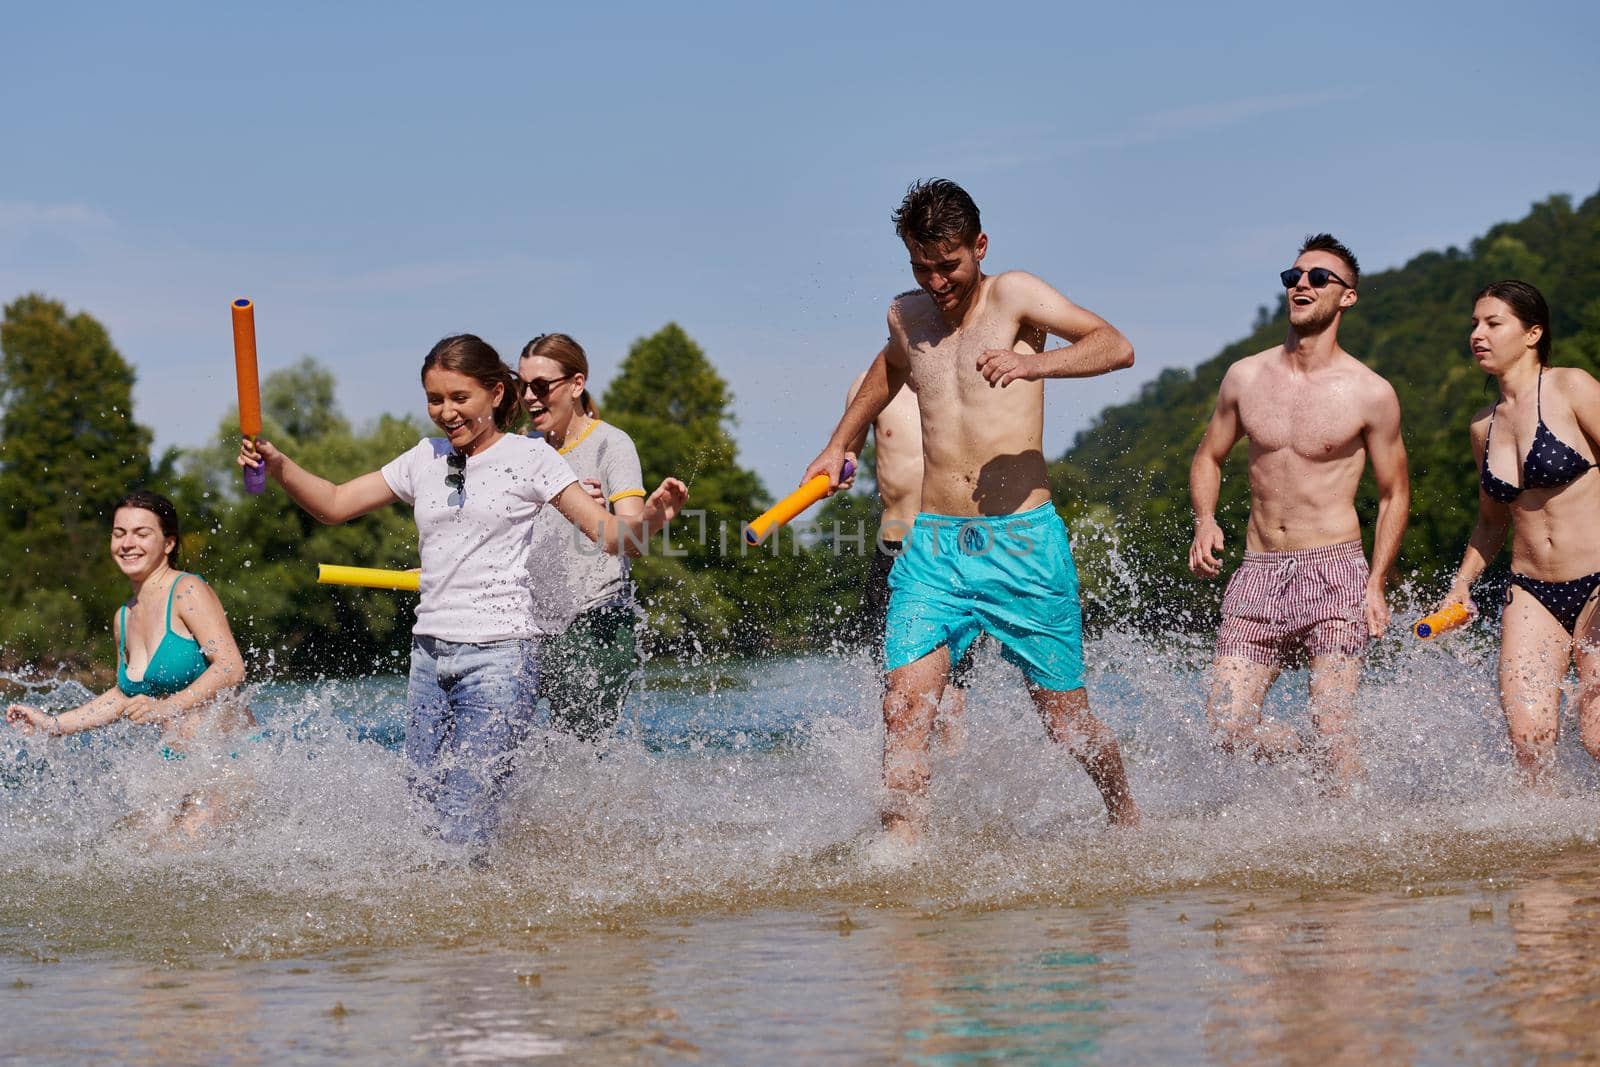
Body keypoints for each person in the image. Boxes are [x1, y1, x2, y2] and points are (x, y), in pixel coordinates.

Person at [240, 334, 686, 855]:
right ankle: (459, 924)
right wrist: (279, 465)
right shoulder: (422, 458)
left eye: (459, 398)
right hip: (428, 656)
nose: (446, 412)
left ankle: (478, 933)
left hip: (502, 658)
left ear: (496, 395)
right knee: (425, 813)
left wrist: (654, 517)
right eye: (435, 399)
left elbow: (612, 537)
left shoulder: (533, 459)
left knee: (463, 818)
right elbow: (335, 504)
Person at [804, 178, 1141, 841]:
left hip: (1021, 542)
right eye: (921, 266)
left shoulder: (1014, 294)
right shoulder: (907, 315)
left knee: (1066, 724)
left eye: (949, 264)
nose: (937, 281)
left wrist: (1037, 366)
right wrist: (839, 442)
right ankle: (903, 862)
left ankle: (1124, 813)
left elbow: (1115, 344)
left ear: (979, 246)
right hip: (933, 546)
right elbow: (889, 367)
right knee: (904, 708)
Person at [1188, 234, 1409, 788]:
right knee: (1226, 727)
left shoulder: (1370, 392)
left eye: (1317, 278)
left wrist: (1378, 581)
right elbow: (1209, 456)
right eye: (1293, 277)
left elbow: (1394, 493)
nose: (1301, 285)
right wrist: (1205, 520)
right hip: (1258, 570)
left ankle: (1355, 833)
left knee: (1332, 721)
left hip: (1335, 570)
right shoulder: (1244, 376)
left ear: (1347, 297)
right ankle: (1315, 760)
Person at [5, 490, 254, 835]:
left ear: (168, 544)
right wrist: (53, 725)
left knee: (178, 848)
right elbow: (124, 696)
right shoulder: (124, 617)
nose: (127, 543)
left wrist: (167, 708)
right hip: (181, 766)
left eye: (141, 533)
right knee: (126, 844)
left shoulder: (187, 590)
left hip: (232, 761)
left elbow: (230, 667)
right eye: (119, 533)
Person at [1441, 280, 1600, 787]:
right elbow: (1492, 520)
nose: (1477, 334)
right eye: (1474, 324)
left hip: (1599, 581)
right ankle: (1553, 866)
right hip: (1531, 590)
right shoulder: (1482, 427)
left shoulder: (1570, 387)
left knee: (1597, 737)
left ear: (1533, 333)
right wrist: (1461, 583)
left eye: (1493, 323)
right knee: (1530, 744)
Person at [518, 332, 645, 742]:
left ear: (576, 385)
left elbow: (633, 537)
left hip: (597, 627)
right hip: (529, 629)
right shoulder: (522, 449)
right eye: (523, 386)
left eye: (541, 386)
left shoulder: (612, 444)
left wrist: (595, 512)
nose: (529, 397)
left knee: (576, 766)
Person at [845, 354, 973, 746]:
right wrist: (841, 466)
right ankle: (902, 785)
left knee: (952, 693)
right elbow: (847, 453)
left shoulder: (967, 384)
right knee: (896, 693)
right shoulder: (869, 386)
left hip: (956, 550)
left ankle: (955, 786)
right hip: (896, 548)